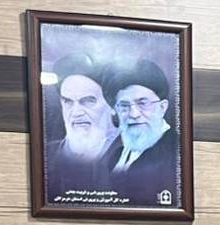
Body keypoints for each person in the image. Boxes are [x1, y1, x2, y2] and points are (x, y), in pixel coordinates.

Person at [102, 58, 178, 206]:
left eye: (143, 103)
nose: (134, 114)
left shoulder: (176, 152)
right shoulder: (115, 154)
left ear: (162, 107)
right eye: (124, 106)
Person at [44, 53, 117, 199]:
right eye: (68, 102)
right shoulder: (46, 154)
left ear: (113, 105)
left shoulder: (137, 155)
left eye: (88, 101)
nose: (76, 112)